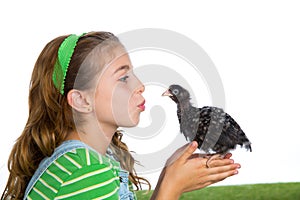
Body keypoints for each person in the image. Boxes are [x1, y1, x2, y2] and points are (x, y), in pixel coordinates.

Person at [1, 31, 241, 200]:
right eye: (123, 77)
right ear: (81, 100)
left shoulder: (96, 160)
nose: (140, 85)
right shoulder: (84, 171)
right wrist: (172, 187)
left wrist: (168, 176)